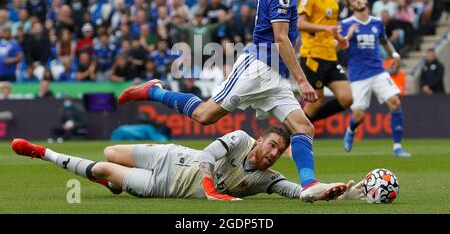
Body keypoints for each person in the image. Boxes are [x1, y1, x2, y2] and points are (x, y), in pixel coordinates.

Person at [118, 0, 349, 202]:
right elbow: (281, 39)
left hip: (274, 77)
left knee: (304, 127)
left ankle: (309, 185)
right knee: (205, 115)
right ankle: (154, 91)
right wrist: (303, 81)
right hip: (257, 69)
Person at [11, 126, 363, 201]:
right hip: (172, 155)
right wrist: (210, 189)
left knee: (101, 169)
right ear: (260, 140)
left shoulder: (267, 180)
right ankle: (116, 184)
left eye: (278, 151)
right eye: (271, 144)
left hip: (164, 187)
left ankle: (43, 153)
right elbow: (209, 155)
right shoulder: (240, 138)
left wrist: (339, 192)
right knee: (109, 153)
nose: (272, 153)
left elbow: (300, 193)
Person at [340, 0, 411, 158]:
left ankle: (397, 147)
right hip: (357, 75)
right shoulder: (345, 24)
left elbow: (384, 41)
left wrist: (394, 54)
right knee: (359, 115)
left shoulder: (377, 22)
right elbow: (338, 48)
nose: (358, 0)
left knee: (395, 102)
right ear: (350, 5)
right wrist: (347, 36)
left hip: (378, 71)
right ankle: (351, 130)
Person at [297, 0, 353, 123]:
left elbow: (330, 24)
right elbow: (300, 23)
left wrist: (339, 38)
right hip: (313, 56)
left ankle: (303, 125)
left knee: (347, 98)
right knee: (316, 102)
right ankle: (291, 134)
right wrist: (325, 29)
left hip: (330, 55)